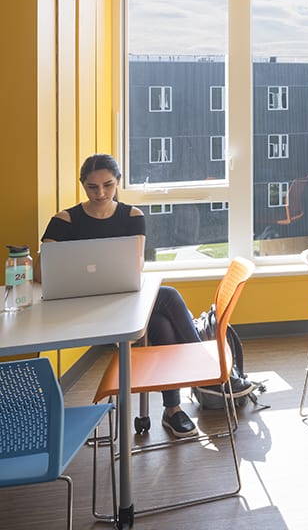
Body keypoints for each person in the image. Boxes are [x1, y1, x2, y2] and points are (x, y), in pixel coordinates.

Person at [41, 154, 254, 439]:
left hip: (126, 300)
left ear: (117, 182)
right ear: (83, 185)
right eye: (92, 187)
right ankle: (204, 371)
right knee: (168, 295)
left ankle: (174, 409)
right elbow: (42, 274)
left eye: (107, 185)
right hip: (86, 310)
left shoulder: (132, 216)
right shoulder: (64, 220)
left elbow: (135, 266)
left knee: (163, 326)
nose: (101, 193)